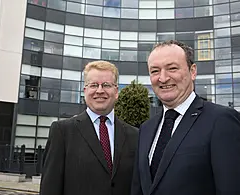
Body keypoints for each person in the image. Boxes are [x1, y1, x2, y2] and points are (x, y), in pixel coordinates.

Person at [131, 40, 240, 195]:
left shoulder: (221, 121)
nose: (162, 78)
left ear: (192, 71)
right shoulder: (146, 129)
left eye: (172, 68)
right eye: (155, 71)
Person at [40, 60, 138, 195]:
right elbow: (50, 187)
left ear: (116, 91)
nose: (100, 90)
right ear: (85, 91)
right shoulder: (62, 132)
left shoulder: (135, 135)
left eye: (106, 85)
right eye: (93, 85)